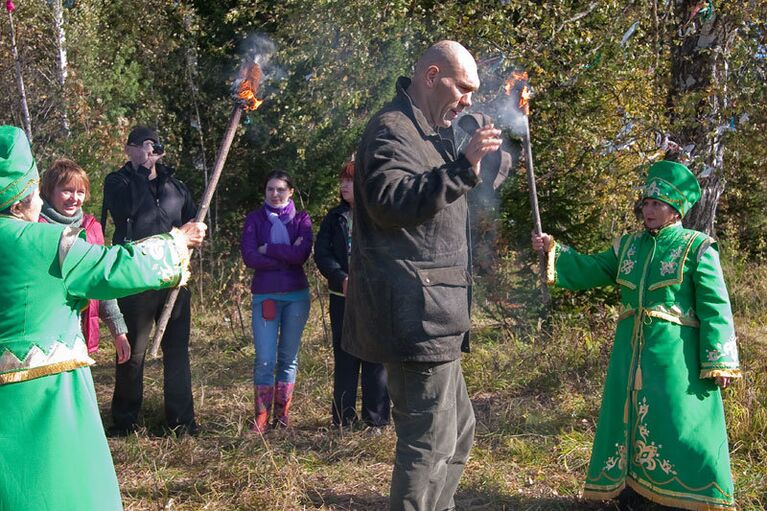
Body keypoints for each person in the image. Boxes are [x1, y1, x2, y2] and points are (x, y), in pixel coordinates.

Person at [0, 125, 206, 510]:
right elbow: (114, 268)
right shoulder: (45, 244)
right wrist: (178, 242)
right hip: (43, 403)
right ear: (23, 198)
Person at [343, 40, 504, 511]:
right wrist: (461, 167)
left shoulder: (433, 131)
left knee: (457, 432)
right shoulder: (392, 130)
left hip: (436, 313)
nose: (470, 99)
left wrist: (485, 158)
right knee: (426, 442)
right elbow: (391, 201)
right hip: (413, 313)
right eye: (464, 88)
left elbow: (464, 183)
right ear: (432, 76)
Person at [532, 160, 741, 511]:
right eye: (646, 203)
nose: (649, 209)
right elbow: (592, 268)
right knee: (626, 417)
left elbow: (715, 306)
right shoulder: (628, 245)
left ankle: (687, 497)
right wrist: (555, 250)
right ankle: (633, 491)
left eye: (657, 204)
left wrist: (719, 358)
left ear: (676, 210)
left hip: (677, 357)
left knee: (678, 422)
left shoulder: (697, 247)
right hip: (629, 354)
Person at [102, 126, 199, 436]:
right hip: (136, 278)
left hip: (173, 280)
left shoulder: (177, 187)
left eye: (151, 147)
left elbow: (191, 223)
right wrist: (141, 172)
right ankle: (125, 421)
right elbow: (125, 209)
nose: (146, 152)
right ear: (128, 150)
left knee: (177, 351)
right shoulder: (117, 182)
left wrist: (196, 233)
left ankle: (181, 423)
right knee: (133, 351)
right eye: (139, 146)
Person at [314, 158, 390, 429]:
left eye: (350, 180)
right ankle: (343, 420)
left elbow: (390, 254)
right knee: (345, 357)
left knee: (375, 357)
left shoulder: (379, 216)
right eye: (342, 180)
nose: (344, 185)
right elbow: (322, 254)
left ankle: (376, 420)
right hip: (342, 298)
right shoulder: (334, 218)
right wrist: (340, 276)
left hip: (375, 297)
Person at [240, 170, 313, 433]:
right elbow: (250, 257)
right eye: (270, 189)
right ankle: (261, 417)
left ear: (290, 191)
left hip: (296, 297)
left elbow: (301, 255)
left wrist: (268, 248)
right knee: (265, 359)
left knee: (288, 358)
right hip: (266, 297)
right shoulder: (254, 219)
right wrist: (286, 254)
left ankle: (283, 415)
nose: (275, 194)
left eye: (281, 189)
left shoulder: (302, 219)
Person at [39, 159, 130, 363]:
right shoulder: (35, 226)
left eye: (80, 192)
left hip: (78, 333)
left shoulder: (90, 228)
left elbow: (99, 280)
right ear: (49, 191)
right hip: (43, 334)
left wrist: (118, 331)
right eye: (67, 190)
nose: (74, 198)